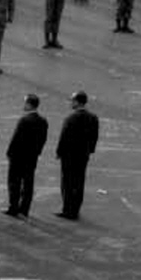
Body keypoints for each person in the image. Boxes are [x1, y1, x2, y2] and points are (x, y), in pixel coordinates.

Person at [54, 90, 100, 219]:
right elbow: (94, 137)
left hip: (69, 156)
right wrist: (89, 150)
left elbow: (64, 137)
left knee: (67, 182)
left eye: (72, 100)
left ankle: (67, 209)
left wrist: (59, 152)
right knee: (79, 182)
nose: (70, 103)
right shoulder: (93, 118)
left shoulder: (70, 118)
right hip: (83, 155)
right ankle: (75, 209)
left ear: (77, 102)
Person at [4, 93, 48, 219]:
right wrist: (37, 152)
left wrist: (9, 153)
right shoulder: (43, 121)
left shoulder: (24, 120)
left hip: (18, 157)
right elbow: (43, 140)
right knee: (28, 183)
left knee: (14, 183)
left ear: (29, 104)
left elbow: (16, 139)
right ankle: (24, 209)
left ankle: (13, 208)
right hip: (32, 157)